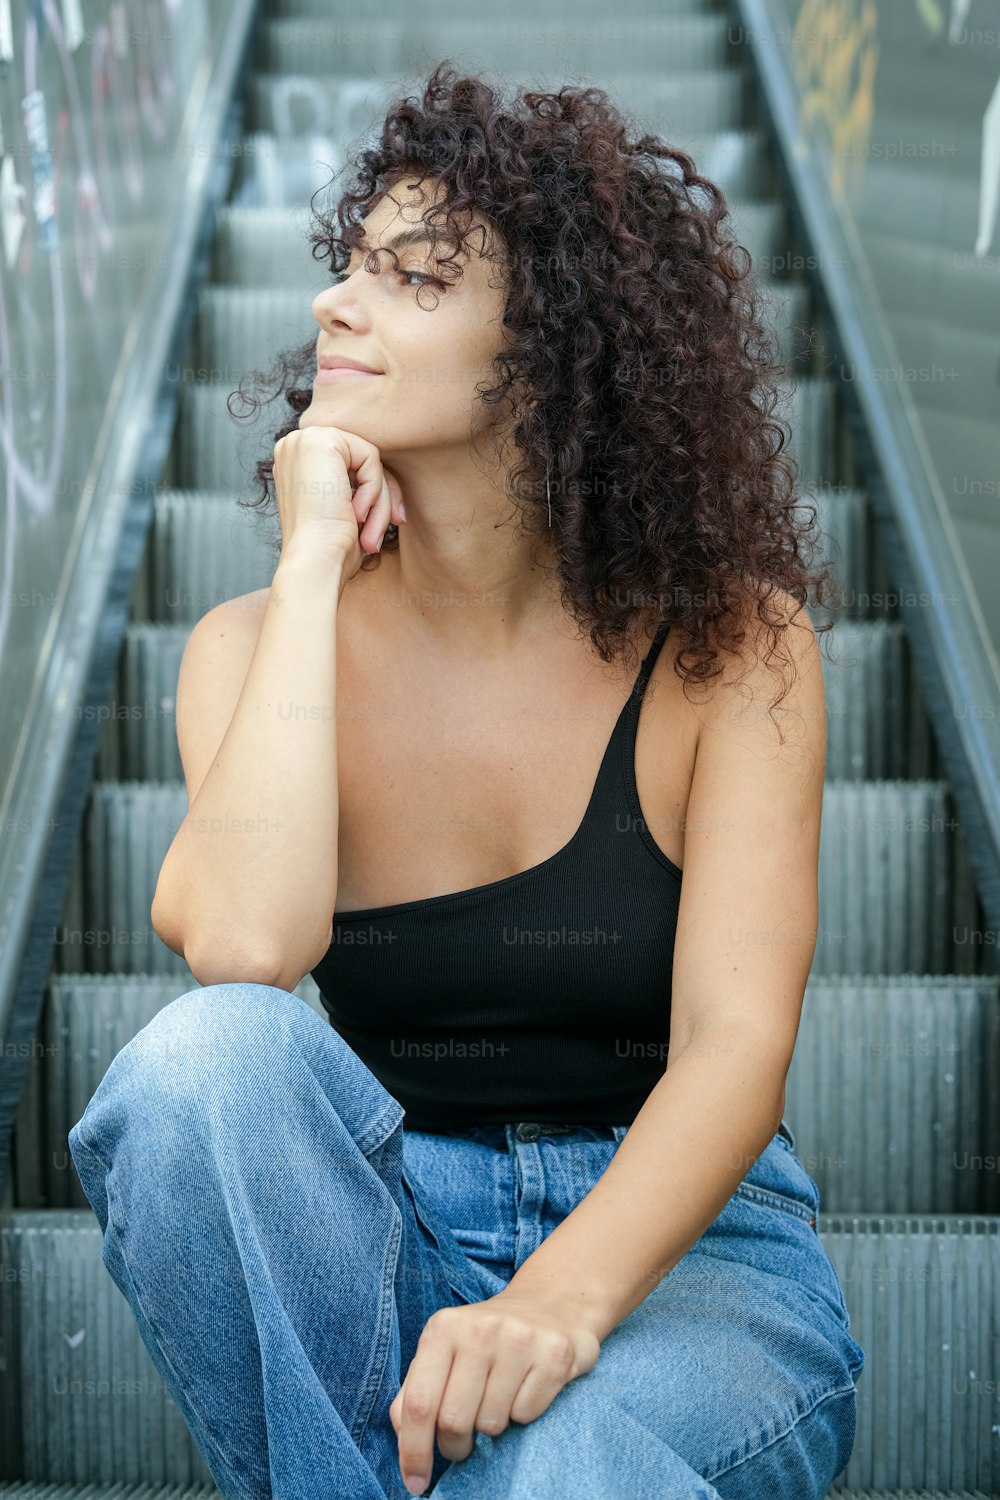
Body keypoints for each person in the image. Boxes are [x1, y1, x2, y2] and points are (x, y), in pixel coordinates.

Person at [69, 62, 863, 1500]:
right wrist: (310, 562)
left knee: (570, 1471)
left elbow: (738, 1051)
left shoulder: (733, 648)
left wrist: (554, 1302)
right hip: (383, 1222)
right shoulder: (250, 647)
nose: (335, 305)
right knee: (196, 1070)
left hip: (693, 1259)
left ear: (551, 354)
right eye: (348, 268)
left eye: (414, 279)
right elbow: (247, 954)